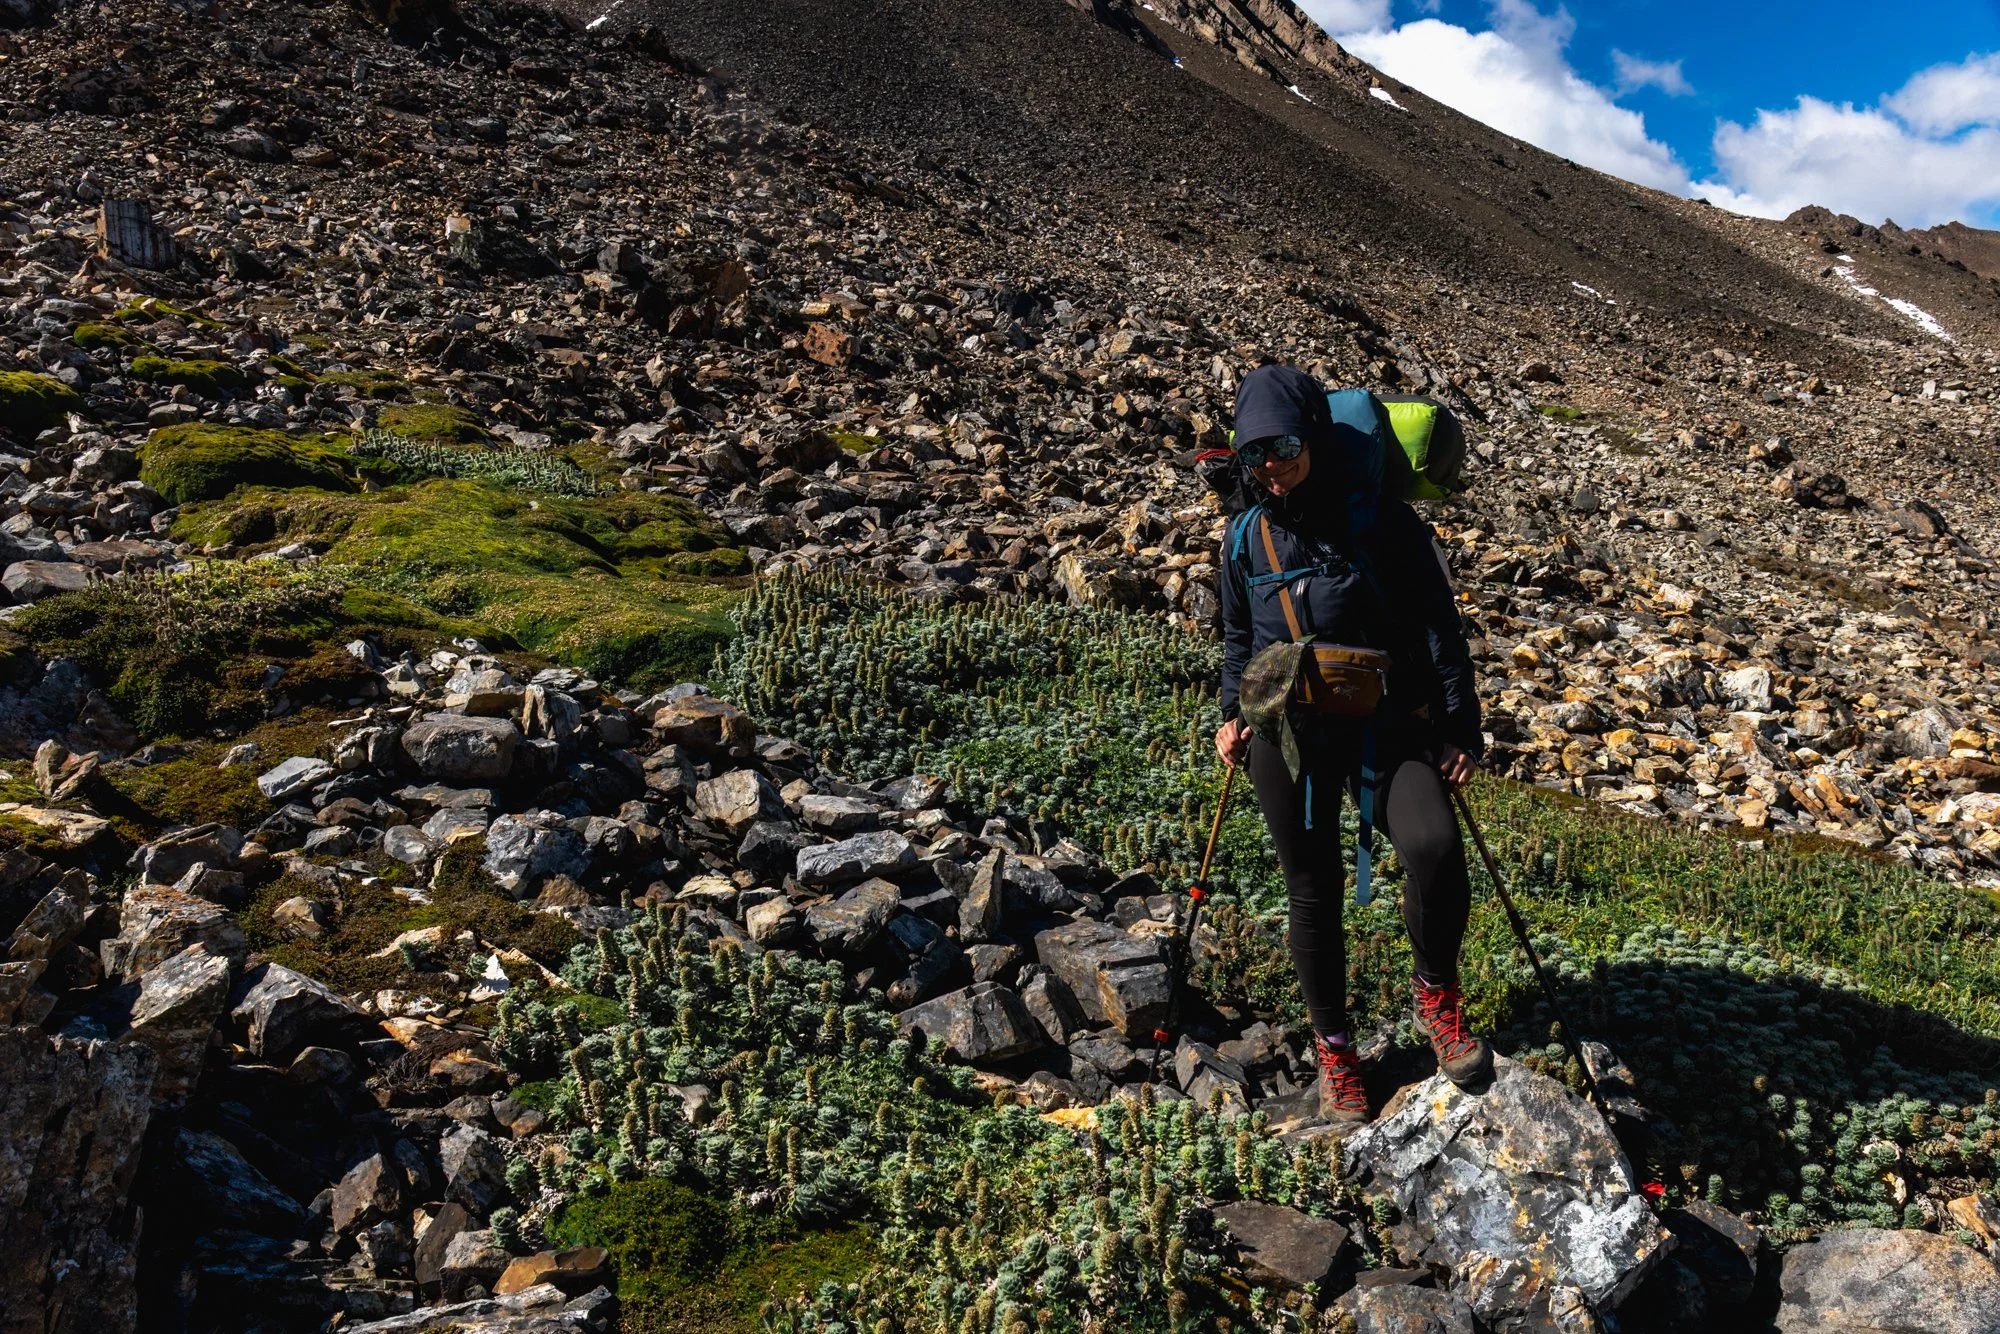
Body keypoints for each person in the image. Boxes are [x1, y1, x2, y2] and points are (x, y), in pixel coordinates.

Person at [1213, 363, 1493, 1127]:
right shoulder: (1245, 533)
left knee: (1433, 846)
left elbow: (1439, 624)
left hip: (1387, 721)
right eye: (1255, 454)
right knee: (1313, 888)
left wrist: (1458, 728)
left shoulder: (1380, 519)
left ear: (1317, 436)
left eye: (1286, 446)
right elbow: (1239, 637)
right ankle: (1334, 1049)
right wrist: (1230, 712)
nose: (1272, 468)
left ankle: (1435, 995)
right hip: (1287, 732)